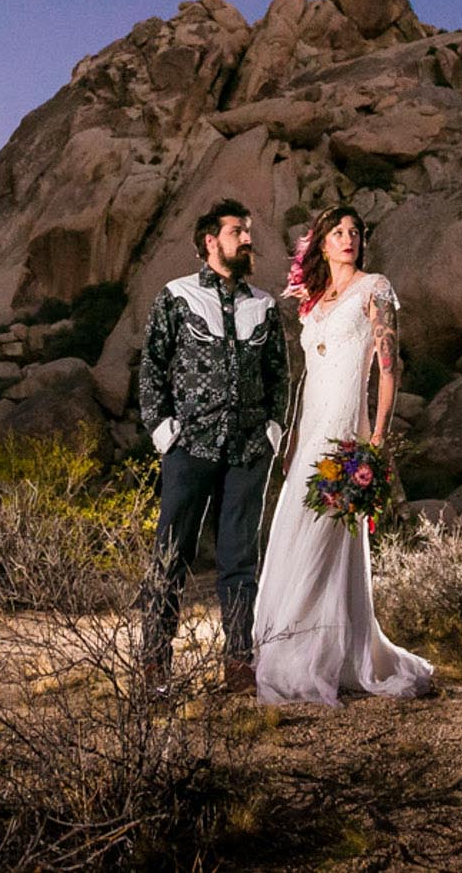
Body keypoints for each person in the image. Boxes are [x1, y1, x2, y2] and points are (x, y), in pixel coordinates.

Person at [253, 204, 433, 706]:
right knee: (292, 536)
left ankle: (318, 657)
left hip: (346, 432)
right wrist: (290, 439)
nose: (348, 238)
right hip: (309, 430)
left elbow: (389, 367)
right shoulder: (312, 301)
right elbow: (305, 376)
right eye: (338, 231)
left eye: (355, 231)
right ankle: (285, 647)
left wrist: (377, 437)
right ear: (322, 243)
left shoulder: (375, 288)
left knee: (323, 540)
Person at [138, 198, 289, 693]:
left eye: (248, 231)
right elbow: (152, 368)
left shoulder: (264, 304)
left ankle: (239, 663)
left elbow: (279, 376)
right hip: (190, 448)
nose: (247, 239)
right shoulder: (175, 297)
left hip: (248, 451)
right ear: (210, 242)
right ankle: (156, 664)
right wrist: (164, 432)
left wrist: (272, 430)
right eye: (237, 231)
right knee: (170, 554)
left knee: (239, 560)